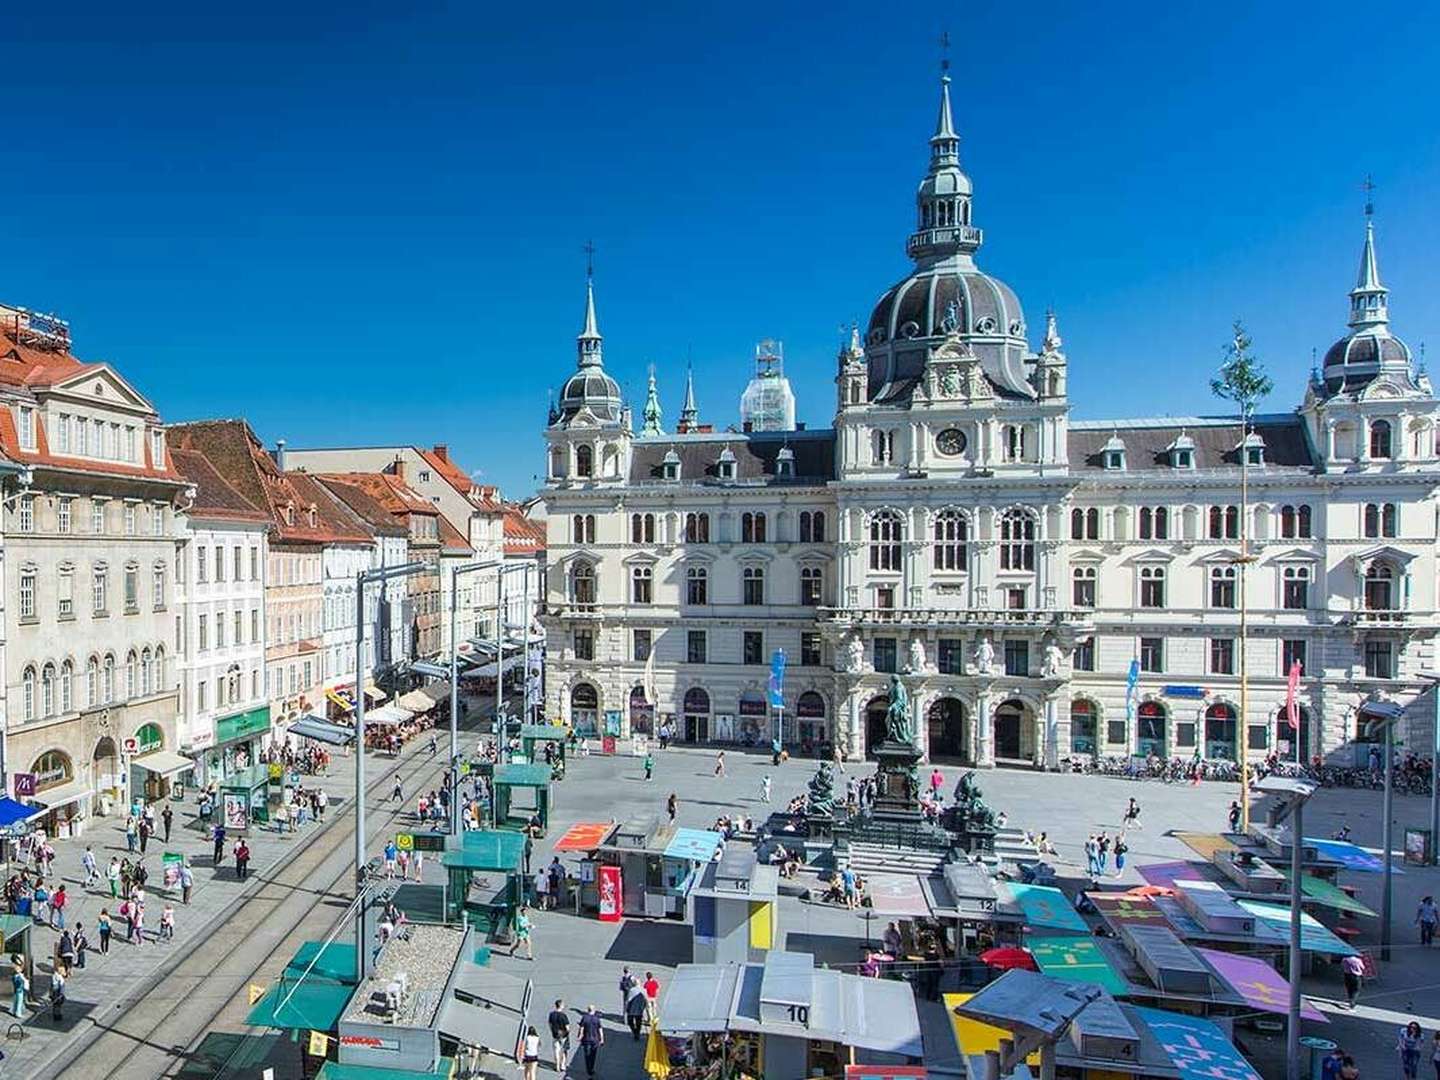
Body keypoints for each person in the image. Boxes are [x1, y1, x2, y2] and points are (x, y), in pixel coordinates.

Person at [578, 1004, 604, 1079]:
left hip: (586, 1039)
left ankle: (588, 1068)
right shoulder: (597, 1019)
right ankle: (591, 1068)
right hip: (595, 1040)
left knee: (587, 1055)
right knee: (593, 1054)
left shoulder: (584, 1018)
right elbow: (600, 1029)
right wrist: (602, 1039)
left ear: (588, 1010)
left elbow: (581, 1028)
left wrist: (580, 1036)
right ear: (594, 1010)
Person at [548, 998, 572, 1076]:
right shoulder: (563, 1016)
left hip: (555, 1035)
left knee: (556, 1051)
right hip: (564, 1036)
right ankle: (563, 1065)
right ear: (561, 1006)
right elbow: (567, 1028)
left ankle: (557, 1066)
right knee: (564, 1050)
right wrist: (567, 1033)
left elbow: (550, 1024)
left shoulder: (551, 1014)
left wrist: (553, 1031)